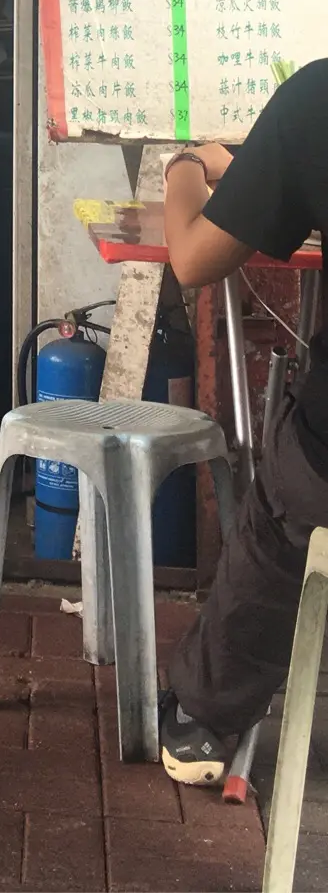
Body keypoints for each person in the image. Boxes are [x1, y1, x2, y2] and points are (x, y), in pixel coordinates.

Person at [161, 62, 328, 784]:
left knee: (286, 507)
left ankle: (202, 717)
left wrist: (184, 166)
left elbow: (193, 258)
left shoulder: (316, 98)